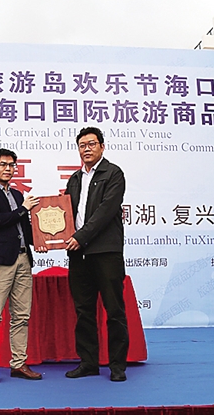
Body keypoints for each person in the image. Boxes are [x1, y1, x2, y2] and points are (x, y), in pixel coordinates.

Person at [64, 127, 129, 382]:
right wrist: (51, 238)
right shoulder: (75, 179)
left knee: (114, 311)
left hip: (105, 252)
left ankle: (117, 366)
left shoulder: (113, 173)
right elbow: (65, 213)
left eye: (92, 144)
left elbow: (106, 211)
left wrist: (80, 237)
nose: (87, 149)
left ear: (102, 146)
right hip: (79, 255)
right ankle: (88, 363)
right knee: (84, 311)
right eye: (82, 145)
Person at [0, 148, 43, 384]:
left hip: (23, 259)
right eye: (2, 164)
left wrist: (44, 240)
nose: (8, 168)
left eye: (12, 165)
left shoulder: (18, 194)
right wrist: (24, 209)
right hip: (0, 261)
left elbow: (25, 228)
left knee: (21, 315)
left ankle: (18, 363)